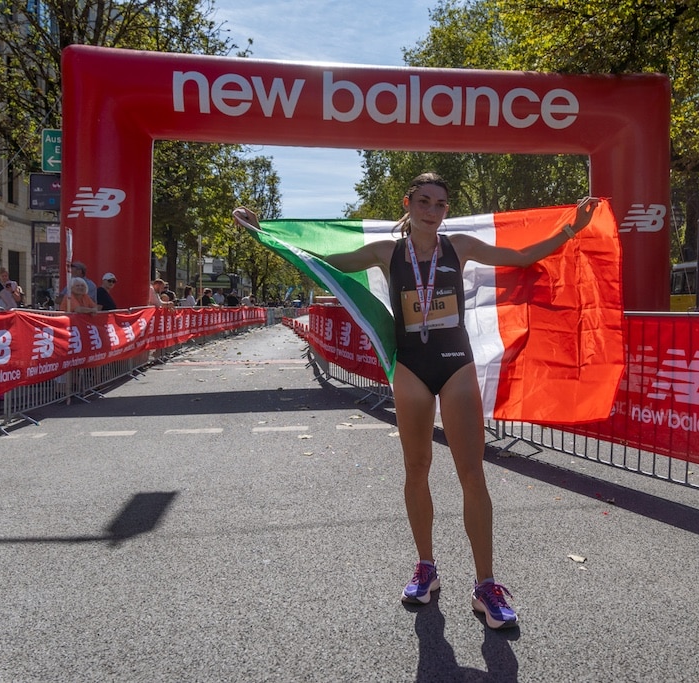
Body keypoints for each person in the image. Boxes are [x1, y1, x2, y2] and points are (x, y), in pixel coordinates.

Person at [234, 172, 601, 630]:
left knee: (472, 473)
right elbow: (320, 258)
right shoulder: (386, 252)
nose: (432, 211)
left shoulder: (459, 246)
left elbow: (523, 256)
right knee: (417, 468)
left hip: (456, 365)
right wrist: (265, 234)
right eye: (424, 201)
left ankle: (486, 585)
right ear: (408, 203)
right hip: (410, 367)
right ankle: (426, 568)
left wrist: (572, 228)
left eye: (440, 204)